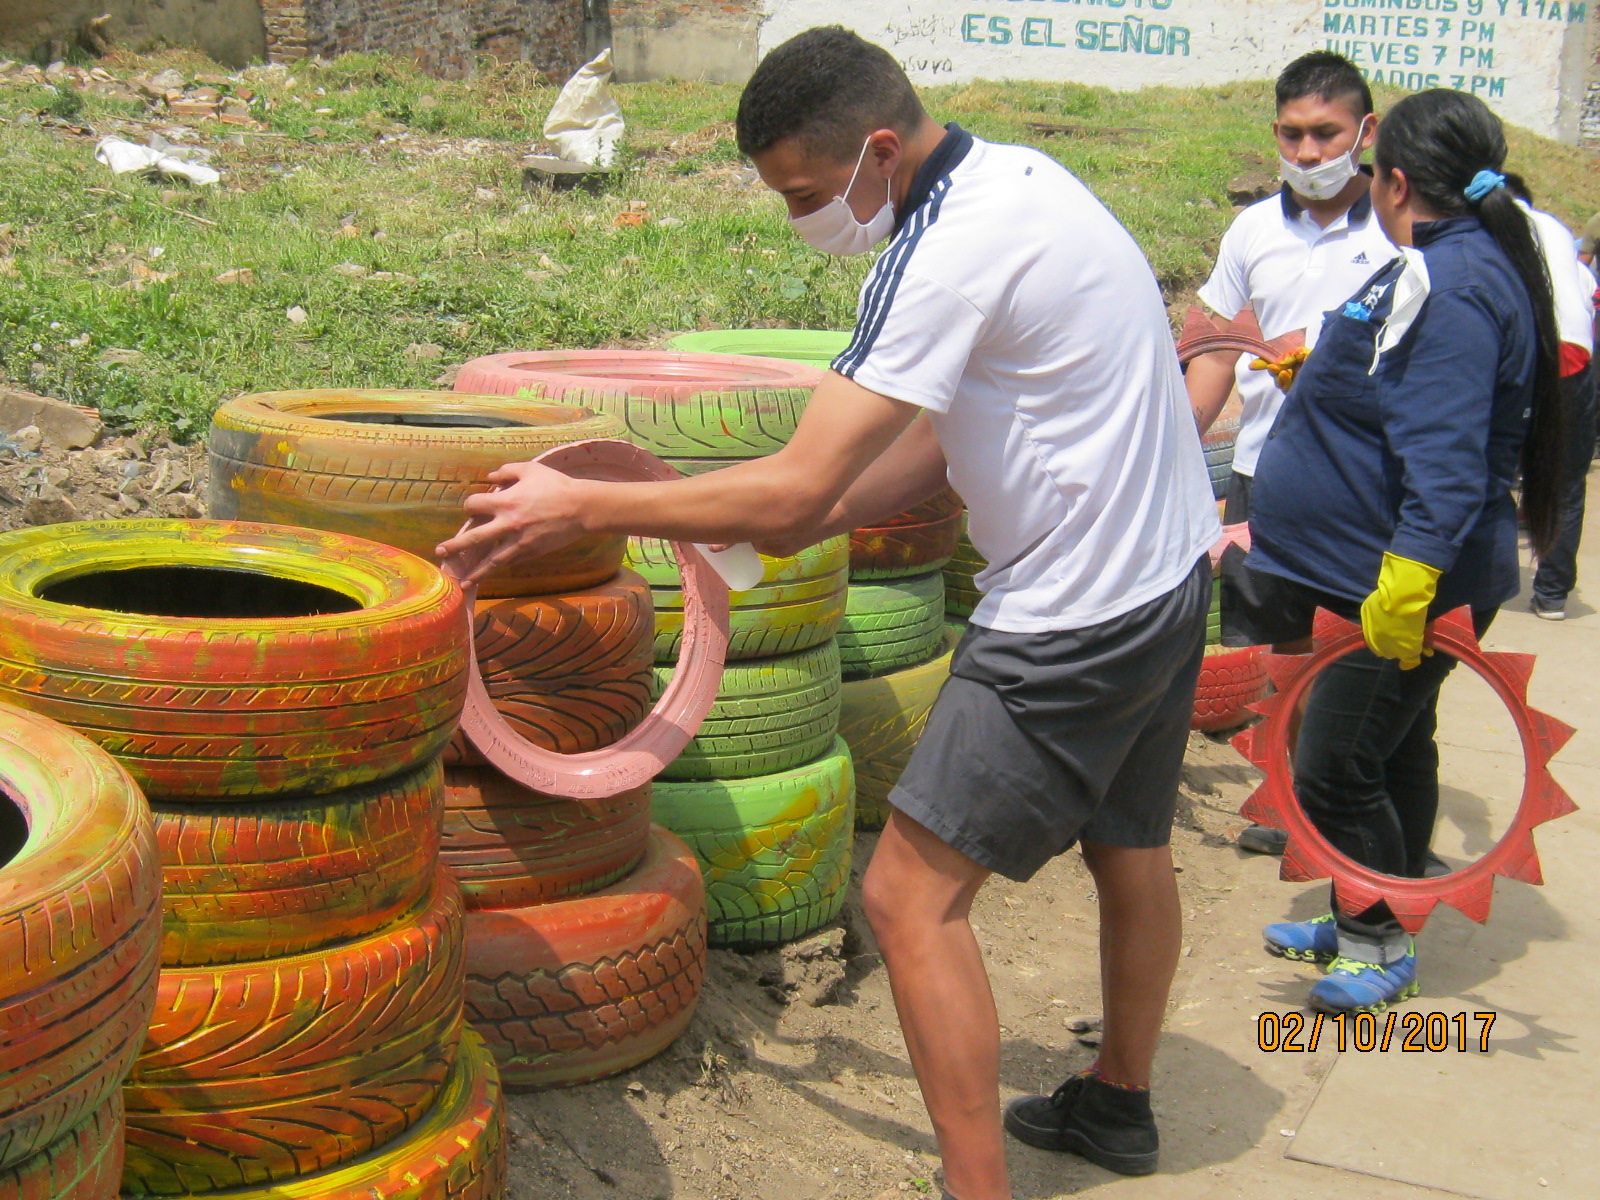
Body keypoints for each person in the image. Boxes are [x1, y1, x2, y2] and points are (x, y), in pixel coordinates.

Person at [438, 25, 1219, 1196]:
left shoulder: (945, 250)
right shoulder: (1028, 183)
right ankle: (1117, 1101)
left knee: (907, 900)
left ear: (880, 149)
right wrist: (816, 518)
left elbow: (799, 476)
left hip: (1074, 612)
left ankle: (970, 1186)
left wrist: (584, 500)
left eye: (806, 192)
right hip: (1165, 578)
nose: (801, 216)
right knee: (1127, 844)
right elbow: (948, 449)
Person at [1221, 89, 1565, 1013]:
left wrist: (1410, 577)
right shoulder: (1443, 265)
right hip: (1379, 567)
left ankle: (1376, 942)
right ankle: (1377, 904)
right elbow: (1406, 387)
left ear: (1396, 180)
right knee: (1400, 748)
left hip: (1411, 580)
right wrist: (1327, 379)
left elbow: (1448, 457)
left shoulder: (1453, 287)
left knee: (1337, 763)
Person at [1187, 51, 1397, 857]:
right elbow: (1214, 348)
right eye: (1292, 134)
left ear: (1364, 131)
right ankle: (1290, 797)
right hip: (1264, 473)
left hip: (1363, 480)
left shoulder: (1398, 221)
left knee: (1369, 652)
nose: (1307, 153)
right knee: (1278, 650)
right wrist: (1176, 449)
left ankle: (1362, 811)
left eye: (1325, 134)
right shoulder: (1252, 231)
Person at [1501, 177, 1597, 621]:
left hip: (1520, 351)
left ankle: (1476, 577)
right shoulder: (1556, 229)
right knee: (1566, 482)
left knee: (1482, 466)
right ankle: (1554, 594)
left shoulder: (1481, 223)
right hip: (1574, 358)